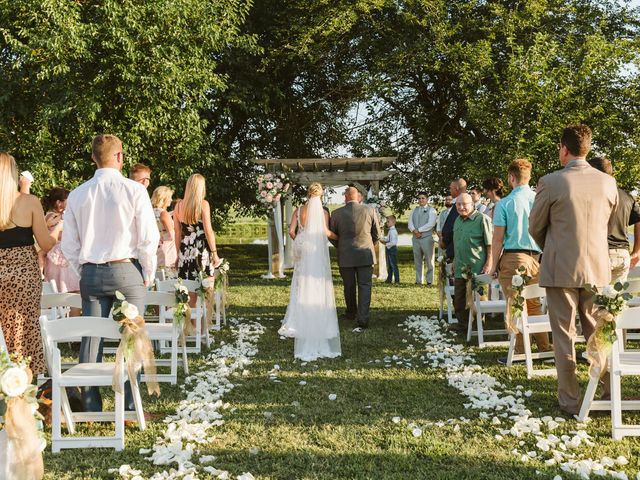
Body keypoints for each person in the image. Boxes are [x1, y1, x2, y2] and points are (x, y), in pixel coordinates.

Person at [61, 134, 160, 412]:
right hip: (127, 270)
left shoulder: (78, 194)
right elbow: (148, 239)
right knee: (132, 338)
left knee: (90, 339)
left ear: (93, 158)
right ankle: (129, 406)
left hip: (91, 274)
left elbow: (69, 244)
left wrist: (84, 270)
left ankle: (91, 406)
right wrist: (147, 273)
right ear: (120, 157)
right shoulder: (135, 190)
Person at [529, 124, 618, 415]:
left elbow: (535, 227)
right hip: (598, 269)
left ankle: (570, 400)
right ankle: (607, 392)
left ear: (563, 149)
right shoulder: (608, 182)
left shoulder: (551, 182)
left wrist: (554, 245)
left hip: (561, 268)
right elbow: (608, 222)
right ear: (587, 149)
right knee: (599, 332)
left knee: (564, 335)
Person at [488, 160, 551, 363]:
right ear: (529, 177)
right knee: (533, 303)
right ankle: (544, 348)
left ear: (511, 178)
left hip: (514, 257)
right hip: (537, 258)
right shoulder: (539, 200)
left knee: (515, 305)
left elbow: (497, 239)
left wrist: (494, 264)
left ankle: (521, 351)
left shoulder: (505, 203)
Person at [0, 152, 57, 375]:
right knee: (23, 327)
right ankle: (23, 384)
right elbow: (46, 243)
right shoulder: (30, 202)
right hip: (23, 273)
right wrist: (57, 230)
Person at [278, 183, 341, 361]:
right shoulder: (323, 212)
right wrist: (341, 238)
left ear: (308, 194)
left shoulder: (298, 210)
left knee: (300, 279)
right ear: (320, 195)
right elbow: (327, 232)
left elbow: (291, 231)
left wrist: (300, 238)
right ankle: (316, 313)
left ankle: (296, 319)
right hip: (314, 249)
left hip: (301, 245)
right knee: (316, 279)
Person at [330, 185, 381, 332]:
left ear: (346, 197)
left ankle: (351, 313)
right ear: (357, 196)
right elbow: (377, 234)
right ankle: (363, 319)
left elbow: (332, 235)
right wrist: (368, 245)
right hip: (365, 254)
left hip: (345, 255)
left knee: (349, 286)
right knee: (365, 286)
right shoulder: (370, 210)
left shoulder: (336, 213)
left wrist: (341, 246)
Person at [588, 157, 640, 282]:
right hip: (622, 256)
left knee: (592, 300)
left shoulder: (592, 194)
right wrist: (637, 251)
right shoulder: (627, 196)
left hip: (600, 253)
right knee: (615, 300)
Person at [452, 192, 493, 332]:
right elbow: (457, 243)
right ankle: (463, 324)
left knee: (478, 299)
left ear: (472, 204)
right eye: (458, 204)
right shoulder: (457, 220)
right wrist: (454, 261)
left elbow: (490, 244)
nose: (461, 207)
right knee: (459, 298)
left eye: (464, 204)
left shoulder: (482, 219)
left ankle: (478, 326)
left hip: (477, 267)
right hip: (460, 267)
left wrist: (489, 263)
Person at [174, 174, 223, 282]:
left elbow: (177, 233)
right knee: (206, 284)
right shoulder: (203, 204)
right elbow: (208, 231)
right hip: (201, 248)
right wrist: (215, 254)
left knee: (188, 285)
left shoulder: (178, 206)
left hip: (185, 249)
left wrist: (178, 254)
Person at [42, 187, 80, 294]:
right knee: (67, 291)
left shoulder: (57, 216)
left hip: (61, 258)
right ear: (59, 203)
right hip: (58, 258)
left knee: (69, 291)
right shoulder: (53, 216)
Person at [408, 192, 437, 285]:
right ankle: (419, 280)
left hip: (427, 238)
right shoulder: (414, 210)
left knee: (429, 260)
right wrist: (414, 231)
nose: (421, 200)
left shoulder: (432, 210)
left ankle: (429, 281)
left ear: (427, 199)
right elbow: (410, 223)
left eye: (423, 198)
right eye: (419, 198)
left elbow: (431, 223)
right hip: (415, 238)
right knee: (417, 260)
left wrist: (419, 230)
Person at [151, 186, 178, 278]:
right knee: (168, 278)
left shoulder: (151, 212)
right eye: (169, 197)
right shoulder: (164, 214)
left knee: (157, 277)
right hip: (167, 249)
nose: (171, 200)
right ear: (164, 198)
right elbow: (171, 236)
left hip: (154, 248)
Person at [381, 215, 399, 284]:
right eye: (386, 222)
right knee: (389, 265)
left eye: (388, 222)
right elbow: (388, 239)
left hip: (392, 249)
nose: (387, 223)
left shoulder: (393, 231)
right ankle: (389, 279)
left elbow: (393, 242)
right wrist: (382, 239)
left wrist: (386, 244)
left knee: (394, 265)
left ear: (393, 222)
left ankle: (397, 280)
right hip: (389, 249)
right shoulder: (390, 230)